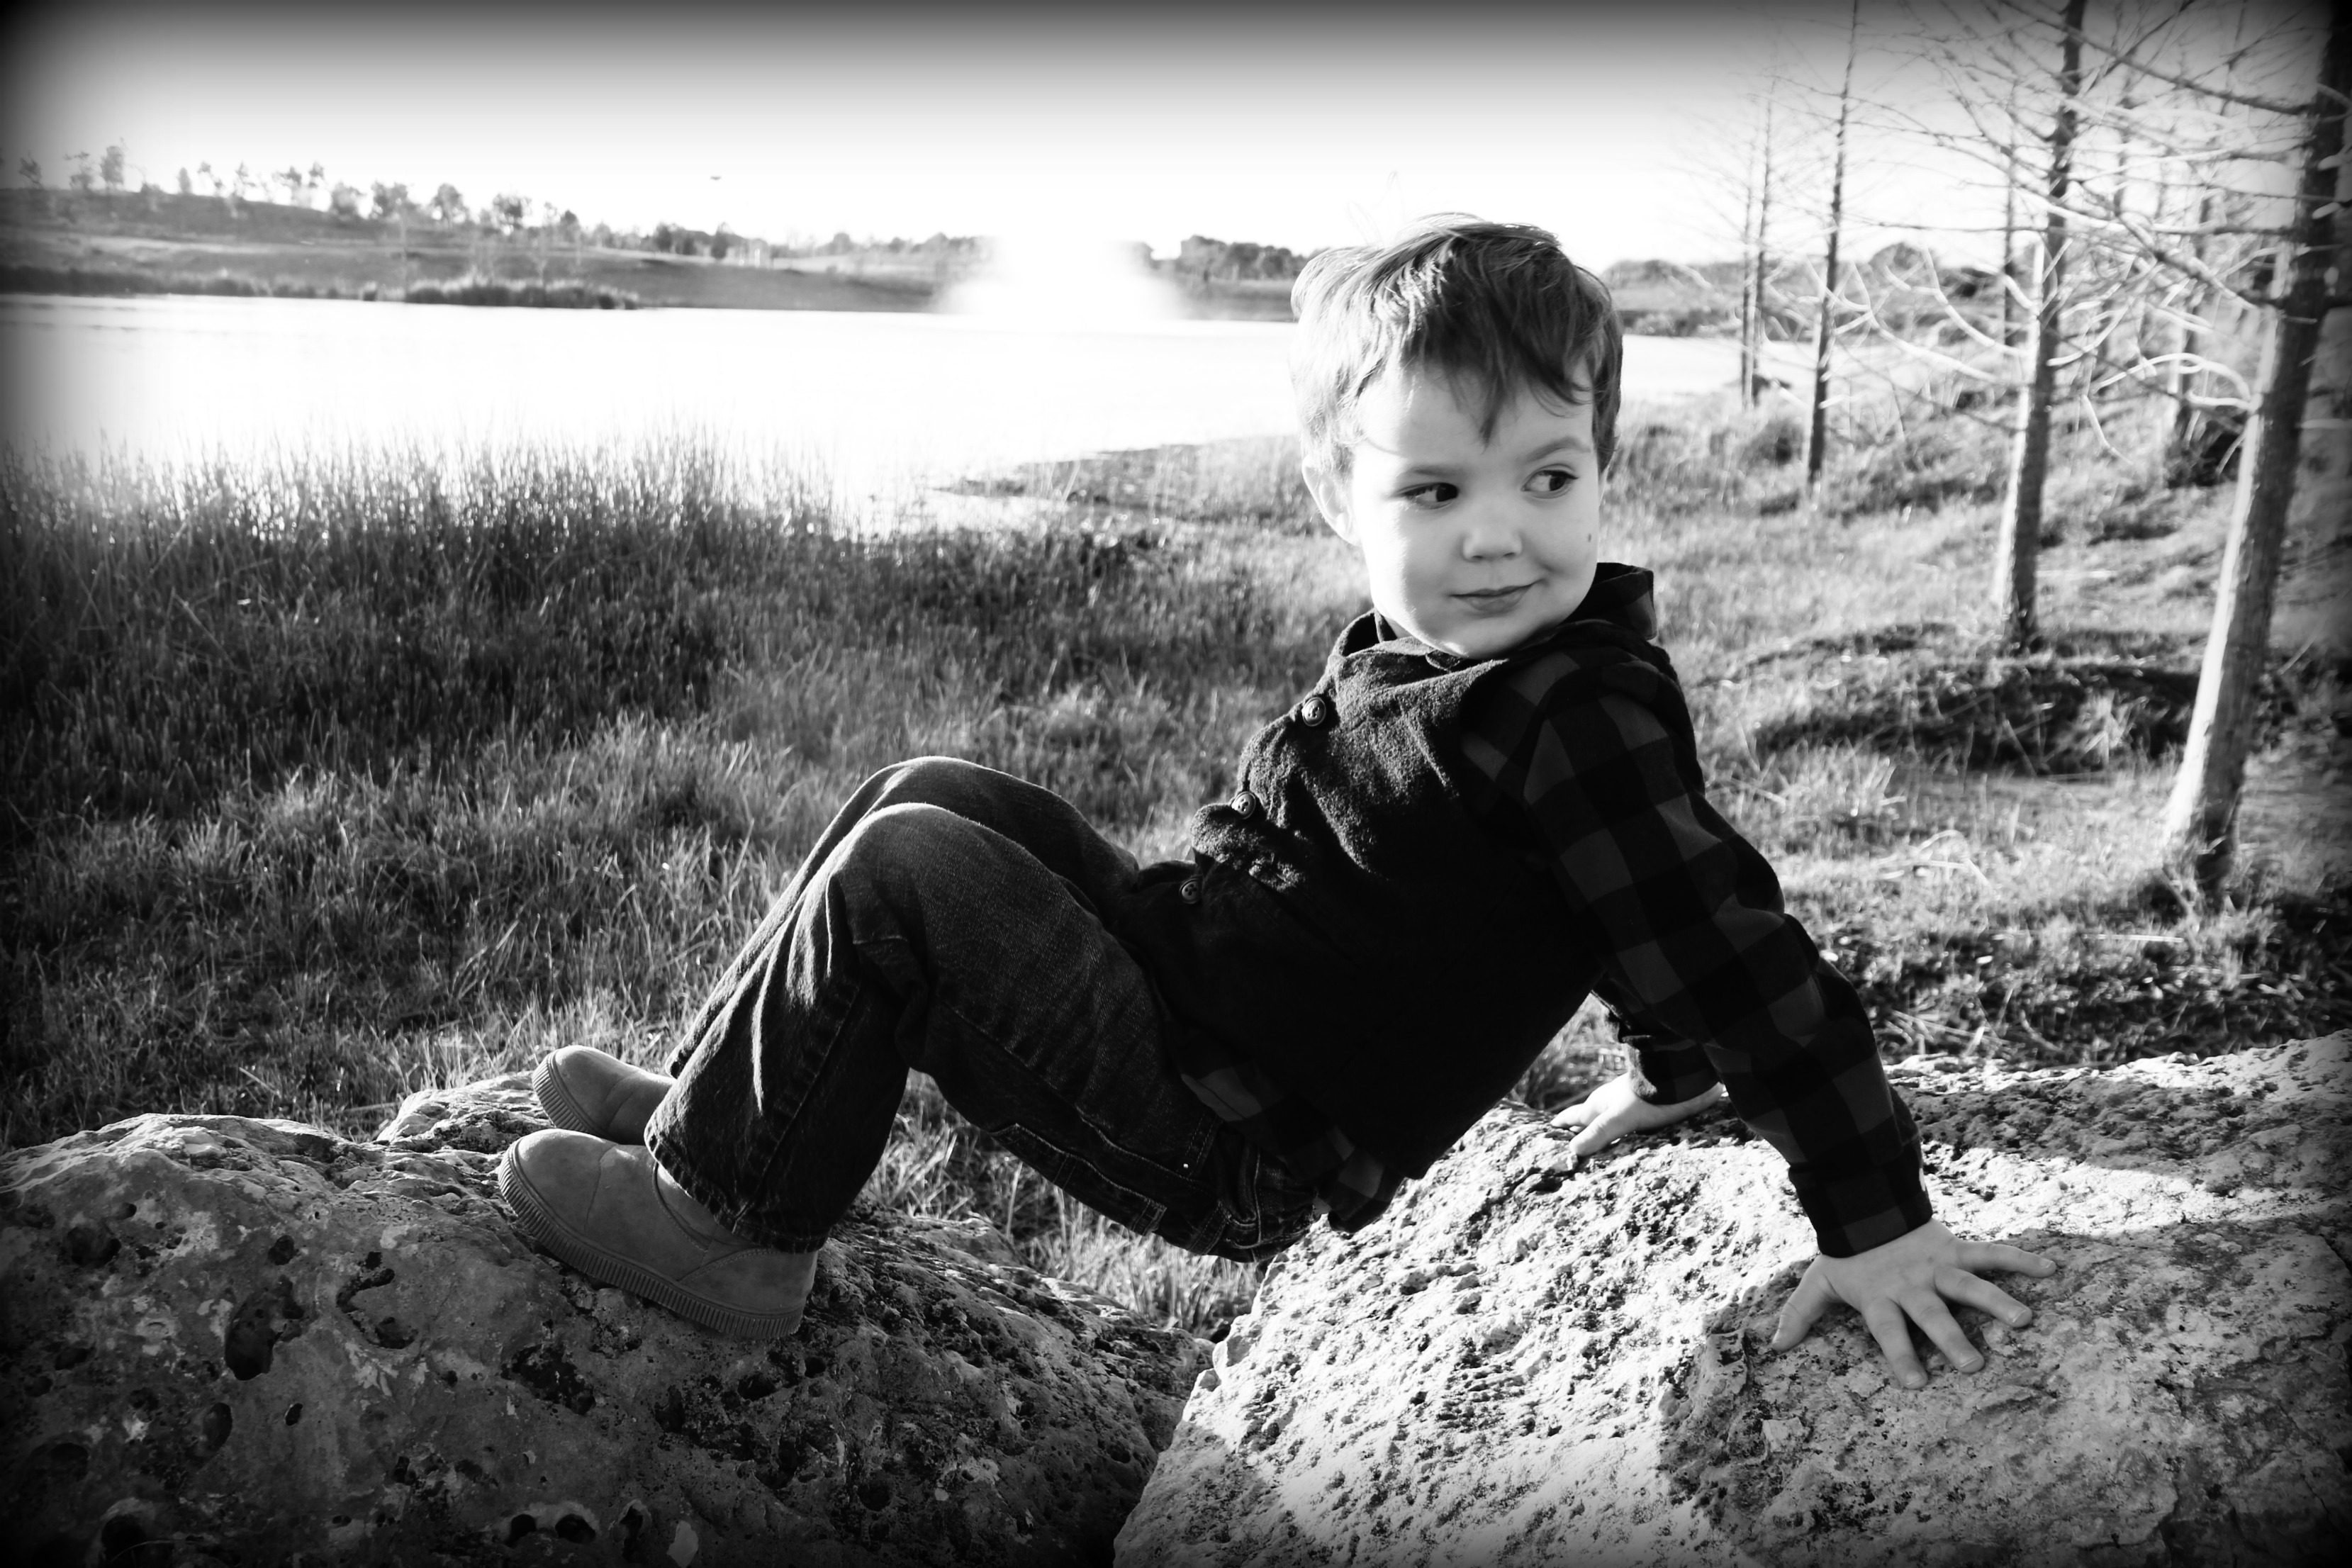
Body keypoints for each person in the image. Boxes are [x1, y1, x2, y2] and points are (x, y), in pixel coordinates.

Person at [499, 216, 2056, 1384]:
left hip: (1232, 1128)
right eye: (1436, 490)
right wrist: (1668, 1075)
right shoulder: (1430, 657)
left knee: (908, 873)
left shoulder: (1570, 709)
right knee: (929, 789)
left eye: (1549, 478)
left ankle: (730, 1236)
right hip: (1206, 993)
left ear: (1601, 465)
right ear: (1335, 496)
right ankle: (734, 1115)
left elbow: (1716, 939)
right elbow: (1619, 913)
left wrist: (1873, 1218)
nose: (1500, 535)